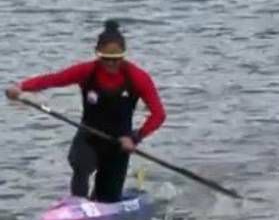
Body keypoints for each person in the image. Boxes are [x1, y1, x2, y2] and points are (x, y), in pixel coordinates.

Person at [5, 20, 166, 203]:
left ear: (123, 56)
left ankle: (101, 203)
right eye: (106, 58)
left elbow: (158, 115)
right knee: (80, 164)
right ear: (98, 54)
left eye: (116, 59)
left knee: (107, 197)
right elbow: (53, 79)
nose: (111, 63)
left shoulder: (137, 77)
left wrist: (135, 137)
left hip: (119, 144)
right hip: (89, 136)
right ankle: (77, 205)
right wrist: (21, 87)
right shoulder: (87, 71)